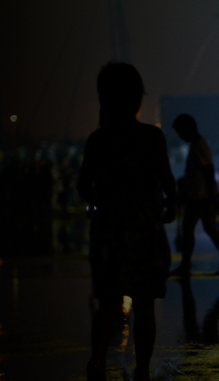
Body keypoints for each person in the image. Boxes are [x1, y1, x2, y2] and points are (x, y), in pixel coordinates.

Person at [77, 62, 175, 380]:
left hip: (109, 230)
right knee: (144, 303)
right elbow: (168, 183)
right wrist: (167, 205)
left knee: (108, 303)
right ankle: (143, 369)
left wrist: (103, 204)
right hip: (146, 228)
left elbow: (82, 186)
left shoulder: (98, 140)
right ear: (136, 99)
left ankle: (98, 361)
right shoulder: (151, 137)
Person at [169, 114, 219, 277]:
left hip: (200, 197)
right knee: (210, 230)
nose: (180, 136)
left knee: (189, 229)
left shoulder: (199, 145)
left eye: (180, 131)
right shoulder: (198, 145)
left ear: (188, 128)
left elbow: (208, 171)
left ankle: (186, 266)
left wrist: (212, 197)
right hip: (202, 196)